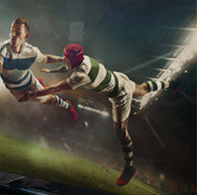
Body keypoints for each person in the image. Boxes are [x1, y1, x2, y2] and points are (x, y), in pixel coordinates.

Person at [24, 43, 172, 187]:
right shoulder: (85, 59)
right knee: (141, 89)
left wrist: (33, 94)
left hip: (120, 94)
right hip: (119, 78)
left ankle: (130, 167)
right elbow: (67, 66)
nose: (64, 60)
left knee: (121, 132)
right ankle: (169, 84)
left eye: (66, 58)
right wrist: (52, 71)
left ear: (74, 60)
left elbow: (55, 88)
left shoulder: (81, 76)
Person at [0, 17, 78, 121]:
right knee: (22, 100)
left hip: (30, 83)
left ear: (26, 36)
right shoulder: (1, 48)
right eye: (12, 31)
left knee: (48, 100)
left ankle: (67, 105)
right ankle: (41, 87)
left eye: (18, 32)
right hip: (14, 89)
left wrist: (62, 59)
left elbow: (46, 58)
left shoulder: (31, 51)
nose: (13, 35)